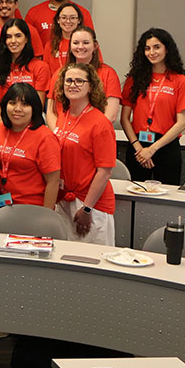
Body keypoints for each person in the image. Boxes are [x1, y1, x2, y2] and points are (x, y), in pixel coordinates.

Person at [51, 63, 117, 244]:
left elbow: (105, 171)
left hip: (91, 205)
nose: (73, 85)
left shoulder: (100, 123)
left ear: (90, 87)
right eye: (69, 80)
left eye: (80, 81)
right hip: (65, 200)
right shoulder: (64, 115)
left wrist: (87, 209)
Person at [120, 28, 185, 185]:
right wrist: (139, 149)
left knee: (166, 199)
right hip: (137, 144)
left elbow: (182, 123)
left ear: (167, 49)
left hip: (166, 146)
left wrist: (152, 150)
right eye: (147, 48)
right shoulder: (134, 79)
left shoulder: (181, 81)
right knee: (134, 194)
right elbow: (124, 118)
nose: (151, 52)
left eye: (156, 47)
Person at [0, 83, 61, 209]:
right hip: (0, 205)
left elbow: (53, 182)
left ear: (34, 108)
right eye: (12, 103)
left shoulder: (45, 138)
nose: (17, 109)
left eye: (24, 104)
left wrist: (46, 216)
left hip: (31, 208)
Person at [46, 26, 121, 128]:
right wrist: (58, 133)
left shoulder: (108, 73)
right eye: (76, 43)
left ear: (95, 46)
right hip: (62, 135)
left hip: (94, 135)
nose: (80, 47)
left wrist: (85, 135)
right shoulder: (60, 73)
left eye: (86, 43)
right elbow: (50, 110)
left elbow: (110, 115)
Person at [0, 19, 51, 124]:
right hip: (3, 122)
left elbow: (38, 104)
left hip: (31, 124)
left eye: (18, 36)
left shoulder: (41, 67)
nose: (13, 41)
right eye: (9, 37)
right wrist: (4, 126)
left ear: (26, 39)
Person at [42, 3, 87, 74]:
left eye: (72, 18)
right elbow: (46, 73)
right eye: (64, 17)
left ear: (79, 20)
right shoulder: (50, 46)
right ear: (58, 20)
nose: (68, 21)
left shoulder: (87, 44)